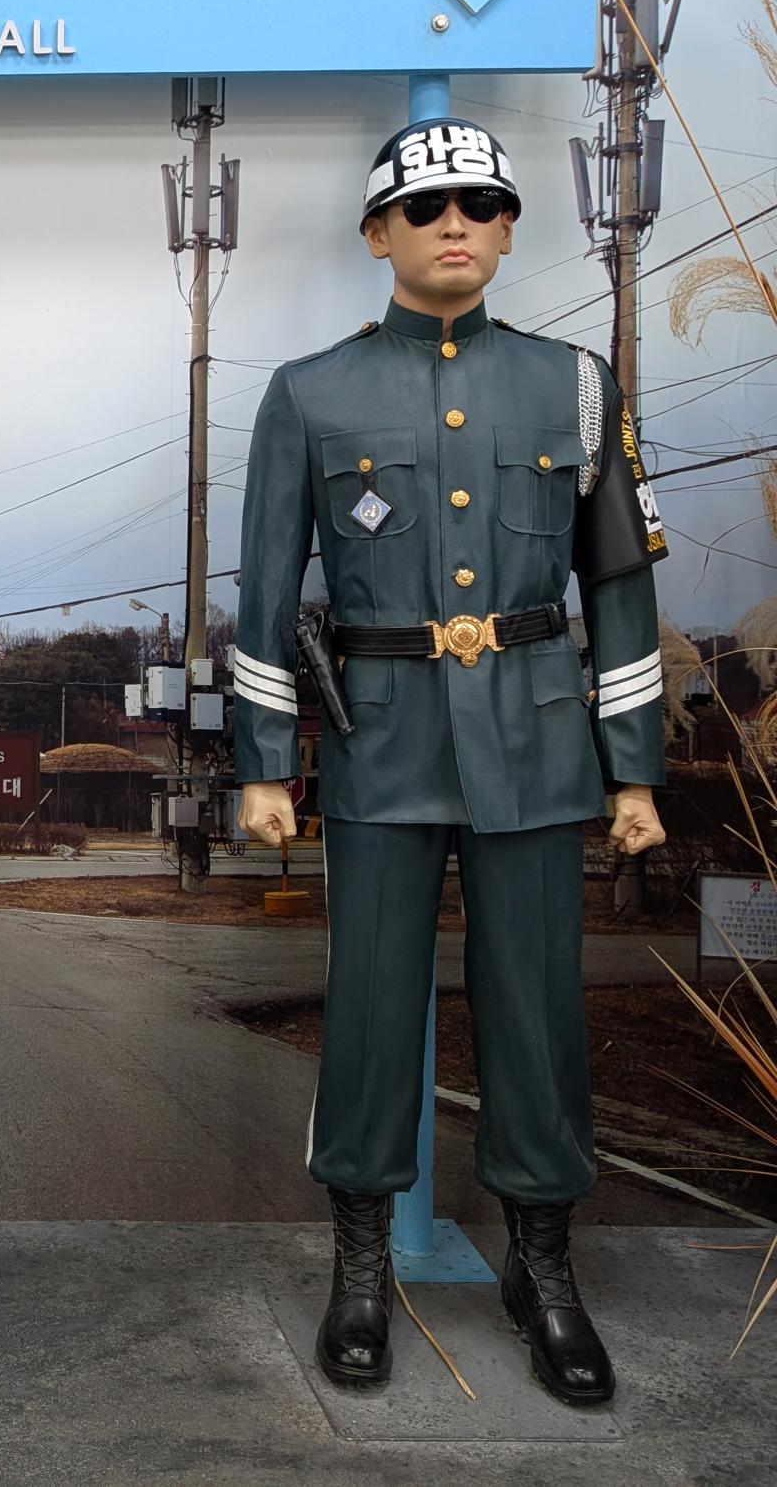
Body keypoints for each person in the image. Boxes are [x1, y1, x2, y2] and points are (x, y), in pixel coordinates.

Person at [233, 116, 669, 1407]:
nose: (456, 224)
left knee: (538, 1010)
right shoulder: (311, 392)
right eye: (425, 209)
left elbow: (621, 584)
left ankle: (546, 1270)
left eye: (482, 200)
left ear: (511, 224)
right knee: (370, 1007)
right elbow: (266, 590)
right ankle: (361, 1265)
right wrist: (267, 760)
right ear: (379, 234)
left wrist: (633, 768)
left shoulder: (573, 383)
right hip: (382, 740)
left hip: (537, 739)